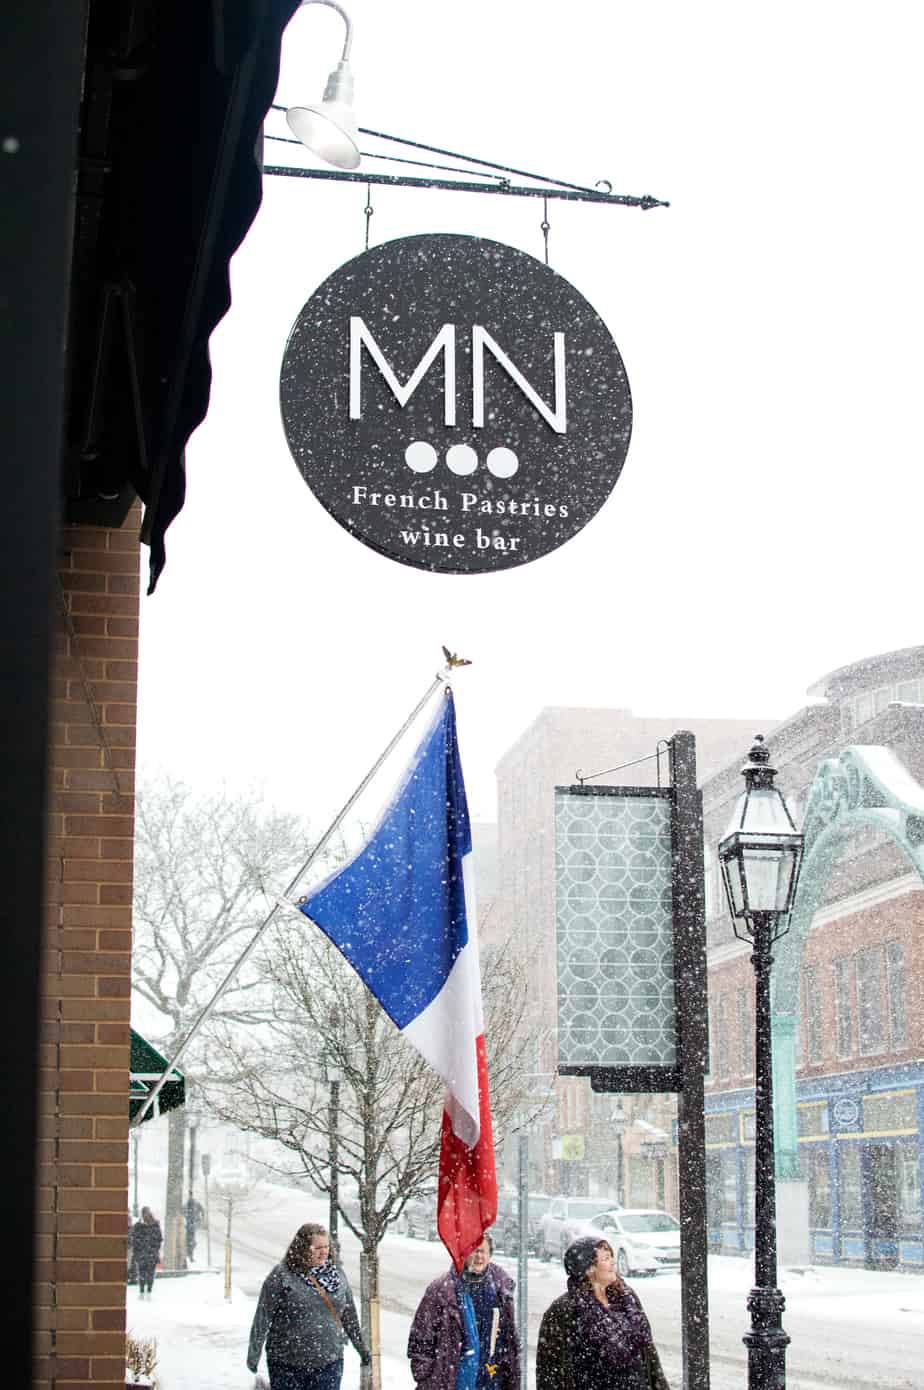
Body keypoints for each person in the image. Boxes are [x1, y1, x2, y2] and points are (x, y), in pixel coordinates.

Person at [247, 1222, 370, 1390]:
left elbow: (349, 1315)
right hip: (287, 1364)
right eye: (317, 1247)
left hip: (329, 1361)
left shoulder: (337, 1275)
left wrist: (362, 1348)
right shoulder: (282, 1275)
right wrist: (253, 1354)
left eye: (326, 1246)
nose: (324, 1252)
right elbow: (263, 1316)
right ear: (302, 1248)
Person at [536, 1236, 670, 1390]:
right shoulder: (564, 1309)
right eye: (606, 1258)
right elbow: (549, 1372)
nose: (613, 1262)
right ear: (588, 1269)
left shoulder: (626, 1298)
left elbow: (649, 1355)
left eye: (611, 1256)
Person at [407, 1234, 520, 1390]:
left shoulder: (500, 1289)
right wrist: (427, 1377)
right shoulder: (442, 1290)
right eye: (474, 1251)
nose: (479, 1256)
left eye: (483, 1251)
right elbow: (421, 1337)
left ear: (490, 1254)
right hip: (451, 1381)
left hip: (490, 1379)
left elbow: (509, 1340)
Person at [131, 1206, 162, 1299]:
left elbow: (135, 1239)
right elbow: (159, 1239)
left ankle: (145, 1291)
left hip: (144, 1253)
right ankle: (146, 1291)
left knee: (144, 1273)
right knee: (148, 1273)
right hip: (148, 1253)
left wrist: (138, 1249)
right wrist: (154, 1248)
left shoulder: (139, 1226)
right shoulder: (154, 1225)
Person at [185, 1195, 206, 1262]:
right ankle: (189, 1255)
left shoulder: (189, 1205)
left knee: (190, 1242)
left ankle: (189, 1254)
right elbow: (202, 1210)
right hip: (191, 1226)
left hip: (190, 1226)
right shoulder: (195, 1205)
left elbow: (202, 1210)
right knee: (190, 1242)